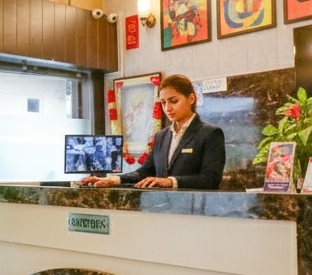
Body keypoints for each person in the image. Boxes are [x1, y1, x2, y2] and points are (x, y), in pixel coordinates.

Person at [80, 74, 225, 190]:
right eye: (163, 102)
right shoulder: (161, 136)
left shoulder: (210, 134)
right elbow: (144, 172)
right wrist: (113, 179)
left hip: (193, 211)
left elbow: (211, 179)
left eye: (174, 101)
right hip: (160, 209)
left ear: (191, 99)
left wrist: (170, 182)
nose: (167, 108)